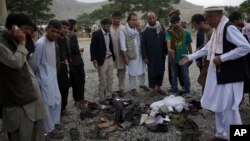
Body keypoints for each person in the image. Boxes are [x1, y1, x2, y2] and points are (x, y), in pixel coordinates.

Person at [180, 6, 250, 141]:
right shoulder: (218, 29)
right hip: (220, 75)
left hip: (231, 76)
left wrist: (223, 58)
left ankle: (235, 136)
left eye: (207, 18)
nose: (205, 21)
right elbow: (208, 48)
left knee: (230, 109)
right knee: (219, 106)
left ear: (215, 16)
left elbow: (246, 47)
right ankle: (220, 135)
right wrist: (190, 57)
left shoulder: (228, 28)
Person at [0, 12, 45, 141]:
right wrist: (22, 42)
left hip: (29, 93)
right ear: (13, 28)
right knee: (22, 134)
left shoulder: (17, 41)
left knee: (36, 130)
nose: (28, 33)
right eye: (25, 29)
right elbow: (16, 62)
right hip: (17, 100)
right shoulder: (3, 45)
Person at [30, 19, 64, 139]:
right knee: (47, 105)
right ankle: (49, 131)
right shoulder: (40, 44)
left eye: (58, 32)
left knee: (56, 100)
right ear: (46, 29)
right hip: (43, 80)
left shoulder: (53, 42)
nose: (55, 34)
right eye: (53, 31)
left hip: (52, 77)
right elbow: (33, 64)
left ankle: (54, 125)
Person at [119, 12, 149, 95]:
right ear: (128, 20)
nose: (135, 21)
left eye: (136, 20)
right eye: (133, 20)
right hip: (131, 55)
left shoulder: (137, 29)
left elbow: (142, 40)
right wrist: (125, 57)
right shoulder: (123, 31)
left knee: (142, 70)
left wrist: (139, 30)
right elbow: (123, 46)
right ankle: (133, 89)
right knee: (132, 72)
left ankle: (142, 85)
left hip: (140, 54)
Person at [141, 11, 166, 96]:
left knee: (161, 71)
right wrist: (145, 57)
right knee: (152, 72)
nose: (152, 20)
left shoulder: (161, 28)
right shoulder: (145, 30)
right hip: (150, 56)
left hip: (161, 54)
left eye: (153, 18)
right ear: (147, 19)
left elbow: (165, 40)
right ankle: (153, 89)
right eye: (150, 18)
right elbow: (143, 45)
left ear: (156, 17)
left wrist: (166, 51)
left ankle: (159, 88)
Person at [166, 15, 192, 95]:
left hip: (183, 58)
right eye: (174, 23)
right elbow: (168, 41)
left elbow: (189, 45)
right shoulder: (169, 32)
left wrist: (191, 56)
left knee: (185, 75)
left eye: (177, 22)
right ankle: (174, 91)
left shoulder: (186, 32)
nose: (176, 24)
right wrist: (169, 49)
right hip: (173, 58)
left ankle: (187, 91)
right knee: (174, 76)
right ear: (171, 24)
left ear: (180, 22)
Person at [90, 18, 115, 101]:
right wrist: (93, 59)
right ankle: (102, 98)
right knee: (103, 80)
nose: (109, 28)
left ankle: (109, 96)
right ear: (102, 25)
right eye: (107, 26)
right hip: (102, 59)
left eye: (110, 26)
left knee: (110, 78)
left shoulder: (109, 33)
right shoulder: (96, 34)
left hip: (110, 58)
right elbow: (92, 47)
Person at [191, 14, 213, 93]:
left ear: (200, 24)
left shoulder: (212, 33)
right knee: (202, 80)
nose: (196, 28)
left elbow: (209, 49)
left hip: (211, 63)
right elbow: (204, 46)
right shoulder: (206, 33)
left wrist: (192, 56)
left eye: (195, 26)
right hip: (206, 62)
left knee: (203, 81)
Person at [68, 19, 86, 108]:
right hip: (77, 62)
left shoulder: (66, 35)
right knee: (81, 81)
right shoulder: (73, 35)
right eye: (76, 24)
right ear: (72, 25)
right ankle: (81, 101)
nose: (77, 26)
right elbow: (74, 49)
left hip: (71, 63)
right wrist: (80, 50)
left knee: (75, 82)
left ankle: (76, 100)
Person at [55, 20, 72, 117]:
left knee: (65, 88)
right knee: (58, 89)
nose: (66, 30)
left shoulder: (67, 39)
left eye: (67, 28)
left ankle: (63, 108)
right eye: (64, 27)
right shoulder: (54, 40)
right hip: (57, 68)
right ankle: (57, 110)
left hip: (65, 67)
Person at [167, 9, 185, 93]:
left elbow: (181, 38)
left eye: (172, 15)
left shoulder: (181, 27)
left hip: (180, 52)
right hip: (171, 52)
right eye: (170, 16)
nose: (170, 17)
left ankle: (184, 86)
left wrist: (172, 32)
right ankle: (173, 87)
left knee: (182, 71)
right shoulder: (169, 28)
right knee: (171, 72)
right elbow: (167, 39)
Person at [110, 11, 126, 96]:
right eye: (115, 18)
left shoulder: (124, 28)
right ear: (112, 18)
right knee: (109, 73)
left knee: (121, 73)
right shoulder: (108, 28)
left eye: (119, 18)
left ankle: (122, 89)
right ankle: (109, 90)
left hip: (121, 54)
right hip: (110, 55)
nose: (117, 20)